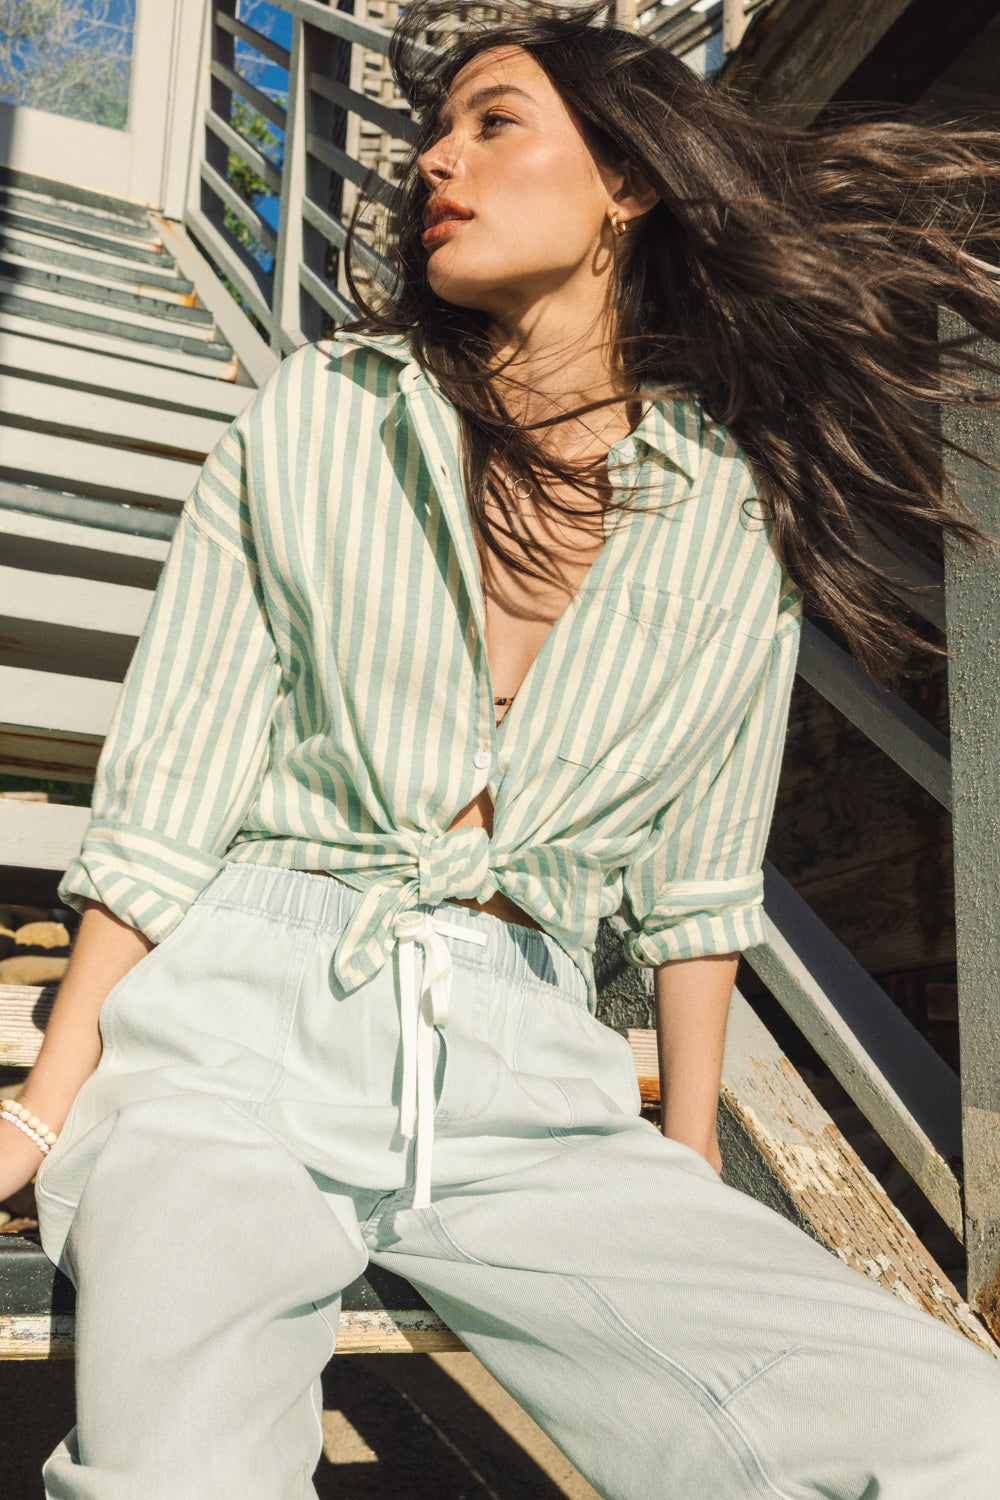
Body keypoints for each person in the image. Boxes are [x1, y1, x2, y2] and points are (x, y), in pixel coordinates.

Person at [5, 2, 1000, 1494]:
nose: (435, 162)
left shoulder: (729, 510)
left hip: (535, 1082)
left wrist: (690, 1156)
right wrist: (46, 1098)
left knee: (957, 1431)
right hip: (238, 1043)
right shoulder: (324, 415)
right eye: (433, 134)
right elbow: (172, 788)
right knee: (180, 1475)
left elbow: (702, 883)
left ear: (628, 180)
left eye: (494, 122)